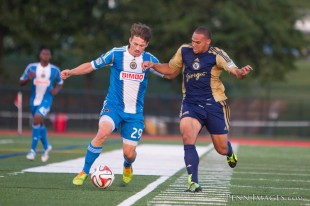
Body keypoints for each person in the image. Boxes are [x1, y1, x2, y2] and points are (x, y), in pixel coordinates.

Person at [142, 26, 253, 192]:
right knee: (187, 134)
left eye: (198, 42)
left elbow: (234, 70)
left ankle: (229, 152)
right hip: (191, 104)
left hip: (214, 105)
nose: (193, 44)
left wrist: (241, 73)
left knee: (221, 149)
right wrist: (153, 65)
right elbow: (171, 71)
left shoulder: (217, 54)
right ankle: (193, 182)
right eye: (193, 40)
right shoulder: (184, 50)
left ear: (208, 42)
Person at [61, 23, 170, 186]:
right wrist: (71, 72)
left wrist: (156, 65)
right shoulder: (115, 54)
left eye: (142, 45)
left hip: (134, 114)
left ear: (146, 45)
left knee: (129, 153)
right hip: (114, 107)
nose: (138, 48)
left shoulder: (149, 59)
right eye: (135, 44)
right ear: (130, 40)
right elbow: (90, 66)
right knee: (103, 132)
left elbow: (169, 74)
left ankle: (127, 165)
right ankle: (84, 171)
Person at [19, 46, 63, 162]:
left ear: (50, 56)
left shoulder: (55, 70)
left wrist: (56, 90)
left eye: (48, 54)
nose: (46, 56)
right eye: (43, 54)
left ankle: (32, 151)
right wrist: (28, 79)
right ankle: (47, 146)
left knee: (37, 118)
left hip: (47, 99)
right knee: (40, 122)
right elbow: (21, 82)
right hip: (34, 100)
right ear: (40, 55)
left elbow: (60, 82)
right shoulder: (31, 67)